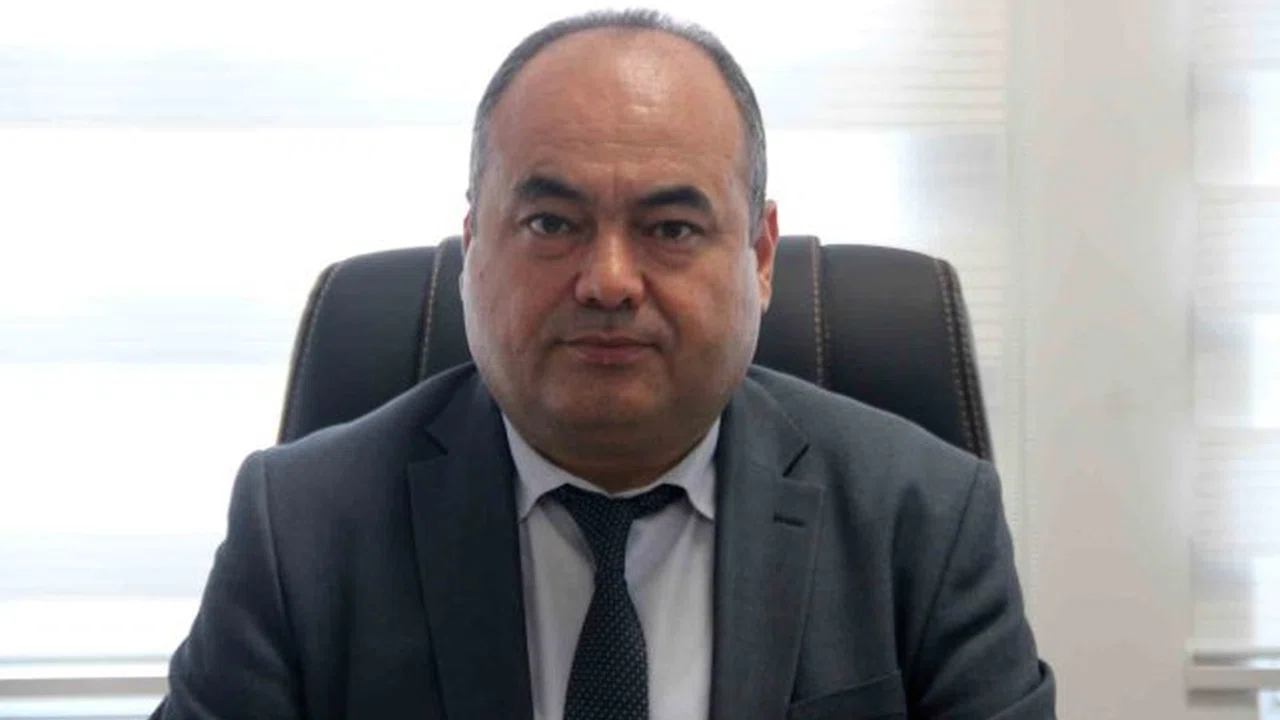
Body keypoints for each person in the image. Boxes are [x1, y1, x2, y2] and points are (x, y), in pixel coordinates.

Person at [151, 9, 1054, 720]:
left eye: (672, 228)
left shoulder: (926, 523)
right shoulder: (300, 530)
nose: (610, 281)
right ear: (474, 247)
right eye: (552, 223)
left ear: (760, 256)